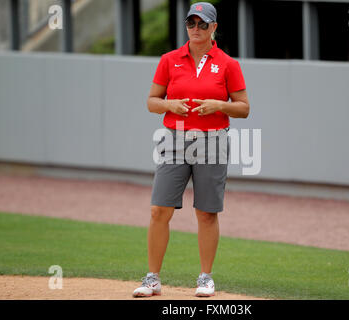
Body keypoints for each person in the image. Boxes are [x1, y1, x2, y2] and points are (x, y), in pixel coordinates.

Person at [133, 2, 250, 298]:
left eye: (202, 23)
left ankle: (205, 278)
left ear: (214, 28)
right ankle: (152, 279)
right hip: (174, 138)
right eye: (191, 23)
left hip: (212, 140)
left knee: (207, 212)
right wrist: (169, 104)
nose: (195, 29)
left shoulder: (227, 64)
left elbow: (244, 108)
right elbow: (151, 101)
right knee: (159, 209)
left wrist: (220, 105)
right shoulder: (170, 60)